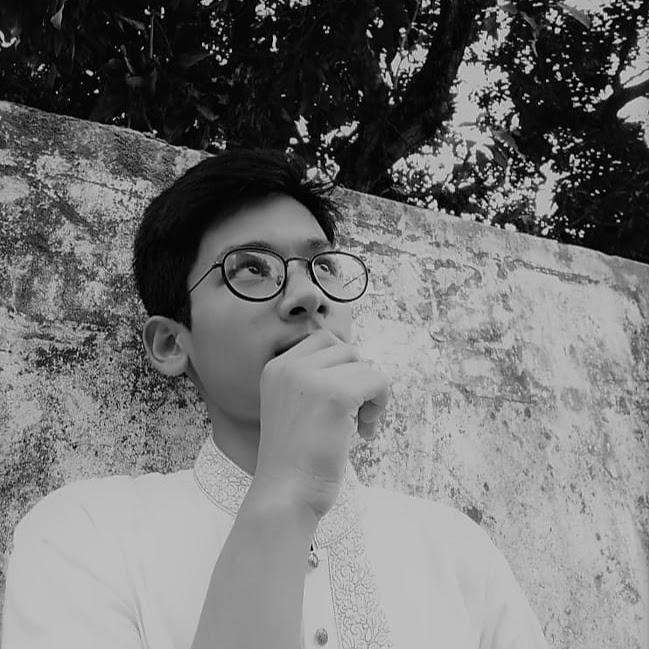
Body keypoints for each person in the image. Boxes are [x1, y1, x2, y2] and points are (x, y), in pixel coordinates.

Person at [1, 149, 551, 649]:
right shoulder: (87, 535)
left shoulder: (456, 551)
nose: (309, 295)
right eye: (251, 268)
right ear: (171, 343)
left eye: (323, 266)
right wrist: (287, 493)